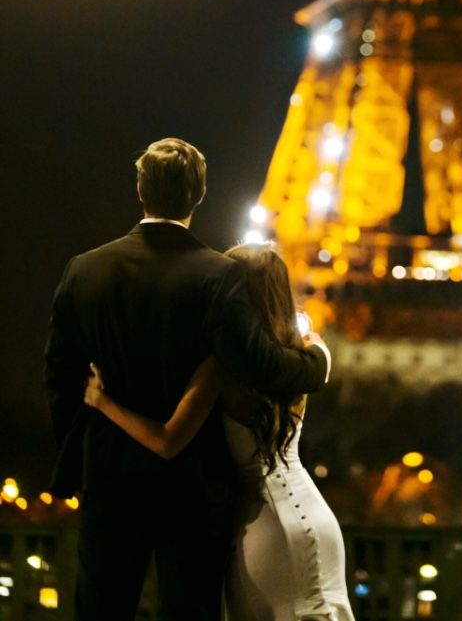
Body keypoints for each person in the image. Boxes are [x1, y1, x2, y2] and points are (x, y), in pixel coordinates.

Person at [44, 137, 330, 621]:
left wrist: (81, 466)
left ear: (140, 189)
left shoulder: (83, 270)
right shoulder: (218, 277)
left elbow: (60, 380)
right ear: (198, 196)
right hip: (193, 491)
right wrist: (318, 362)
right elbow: (261, 365)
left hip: (110, 482)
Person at [84, 243, 355, 621]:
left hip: (264, 527)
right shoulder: (304, 351)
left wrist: (103, 402)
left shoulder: (220, 368)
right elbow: (321, 363)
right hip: (318, 520)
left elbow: (166, 441)